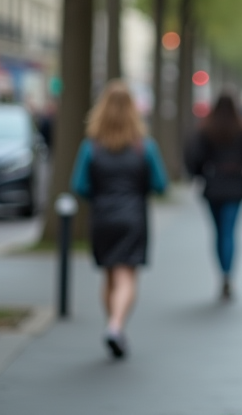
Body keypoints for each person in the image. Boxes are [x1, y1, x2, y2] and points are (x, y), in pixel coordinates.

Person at [70, 80, 168, 360]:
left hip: (102, 216)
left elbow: (80, 186)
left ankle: (113, 325)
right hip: (133, 216)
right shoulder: (144, 147)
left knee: (110, 275)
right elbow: (160, 184)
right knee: (126, 276)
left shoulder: (91, 147)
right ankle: (115, 326)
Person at [186, 92, 242, 301]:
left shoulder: (206, 130)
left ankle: (222, 272)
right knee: (230, 231)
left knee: (218, 232)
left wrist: (202, 175)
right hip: (235, 186)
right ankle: (228, 274)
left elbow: (194, 159)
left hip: (213, 185)